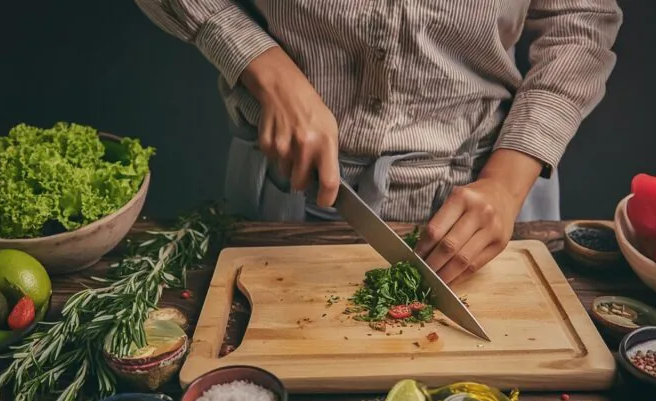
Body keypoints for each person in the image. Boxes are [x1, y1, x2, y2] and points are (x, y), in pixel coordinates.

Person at [135, 0, 622, 285]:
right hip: (289, 181)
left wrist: (504, 183)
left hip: (486, 198)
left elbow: (582, 20)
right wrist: (261, 63)